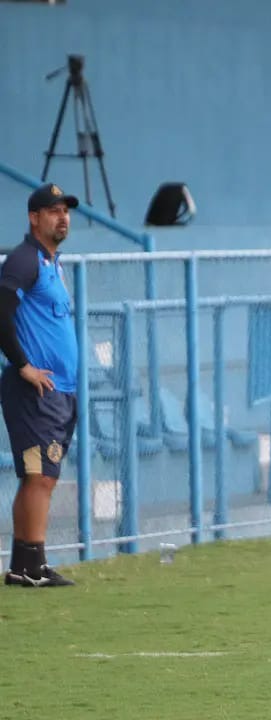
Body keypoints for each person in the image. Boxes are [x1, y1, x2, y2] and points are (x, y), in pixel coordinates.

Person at [0, 183, 81, 587]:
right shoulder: (23, 260)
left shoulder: (52, 263)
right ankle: (33, 567)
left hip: (61, 390)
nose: (62, 217)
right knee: (39, 475)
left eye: (65, 211)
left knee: (44, 475)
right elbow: (1, 310)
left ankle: (24, 566)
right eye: (53, 211)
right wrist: (23, 366)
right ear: (34, 218)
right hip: (35, 390)